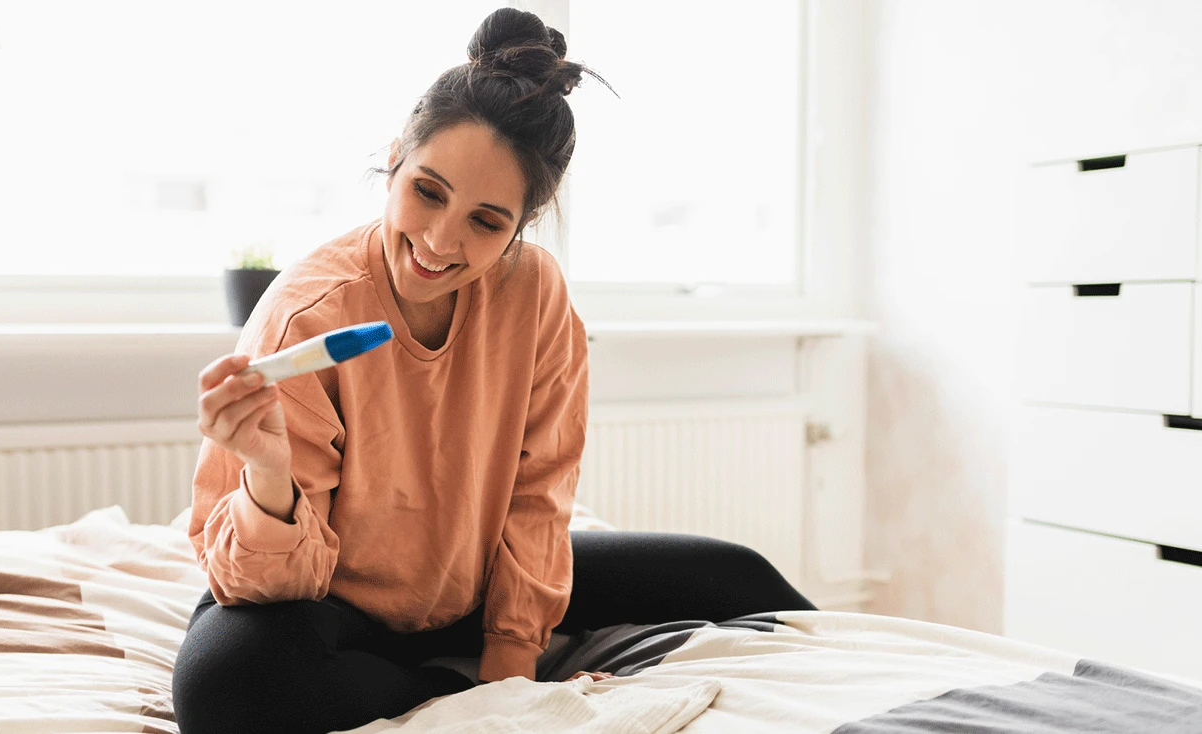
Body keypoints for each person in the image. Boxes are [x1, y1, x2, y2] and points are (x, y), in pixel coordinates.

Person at [171, 7, 815, 733]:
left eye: (486, 222)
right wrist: (266, 471)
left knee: (741, 579)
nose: (440, 242)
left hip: (469, 583)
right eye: (428, 191)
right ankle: (432, 686)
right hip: (329, 602)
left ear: (521, 226)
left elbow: (538, 493)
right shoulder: (306, 318)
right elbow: (263, 584)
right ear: (393, 161)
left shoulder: (535, 294)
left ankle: (453, 674)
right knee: (225, 686)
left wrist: (511, 671)